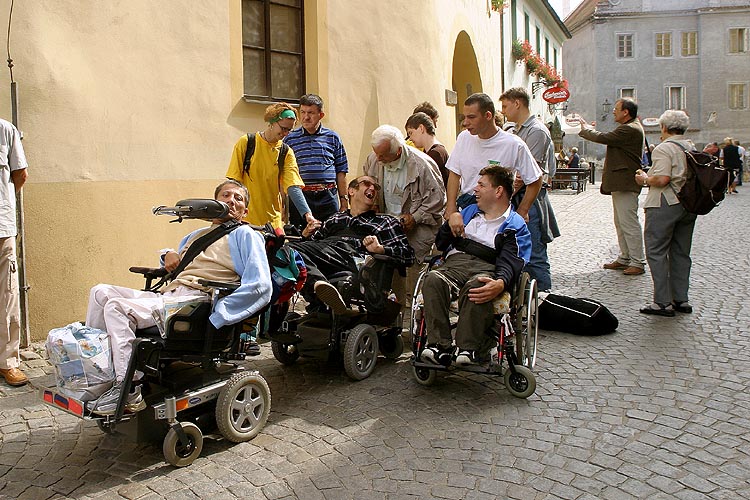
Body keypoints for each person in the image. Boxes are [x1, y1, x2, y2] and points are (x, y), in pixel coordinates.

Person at [85, 180, 272, 414]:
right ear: (213, 203)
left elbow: (260, 285)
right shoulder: (196, 235)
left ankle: (129, 388)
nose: (231, 200)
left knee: (116, 307)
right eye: (225, 195)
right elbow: (176, 266)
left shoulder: (246, 235)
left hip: (196, 302)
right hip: (170, 294)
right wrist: (167, 255)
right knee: (100, 291)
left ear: (244, 211)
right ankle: (99, 376)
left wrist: (221, 314)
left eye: (238, 198)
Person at [420, 165, 531, 366]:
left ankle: (468, 348)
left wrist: (500, 282)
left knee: (478, 286)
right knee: (433, 279)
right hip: (455, 264)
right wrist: (450, 221)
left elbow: (512, 260)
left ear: (498, 191)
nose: (475, 189)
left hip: (487, 266)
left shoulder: (514, 225)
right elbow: (441, 244)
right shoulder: (469, 211)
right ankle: (439, 346)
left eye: (481, 185)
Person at [290, 175, 415, 314]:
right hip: (326, 255)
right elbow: (309, 249)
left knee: (290, 250)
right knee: (285, 251)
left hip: (353, 258)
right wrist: (305, 235)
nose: (372, 188)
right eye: (366, 184)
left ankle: (317, 285)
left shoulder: (385, 222)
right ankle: (319, 290)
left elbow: (408, 256)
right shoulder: (336, 218)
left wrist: (381, 249)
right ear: (351, 191)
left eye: (376, 187)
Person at [634, 110, 697, 317]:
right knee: (681, 251)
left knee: (656, 250)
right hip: (688, 204)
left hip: (665, 203)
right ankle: (681, 298)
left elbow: (661, 179)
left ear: (663, 127)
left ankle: (662, 302)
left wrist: (644, 178)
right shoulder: (690, 146)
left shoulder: (664, 148)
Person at [445, 93, 542, 225]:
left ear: (488, 116)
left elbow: (535, 179)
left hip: (497, 215)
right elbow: (454, 173)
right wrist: (451, 206)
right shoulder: (463, 138)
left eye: (471, 117)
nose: (465, 122)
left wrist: (522, 211)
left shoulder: (513, 144)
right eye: (464, 117)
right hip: (467, 210)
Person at [499, 87, 558, 292]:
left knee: (534, 252)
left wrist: (504, 195)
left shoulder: (536, 131)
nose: (504, 111)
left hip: (530, 199)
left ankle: (543, 299)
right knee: (521, 249)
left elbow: (527, 174)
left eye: (506, 106)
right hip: (520, 197)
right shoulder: (518, 129)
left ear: (518, 103)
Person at [579, 98, 646, 276]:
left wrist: (586, 130)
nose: (613, 112)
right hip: (621, 182)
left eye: (616, 109)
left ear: (626, 112)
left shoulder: (629, 129)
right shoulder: (630, 127)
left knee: (628, 223)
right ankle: (625, 257)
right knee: (621, 222)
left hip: (625, 182)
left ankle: (637, 261)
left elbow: (604, 138)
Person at [226, 103, 316, 229]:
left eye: (289, 130)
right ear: (272, 122)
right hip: (246, 219)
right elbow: (234, 181)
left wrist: (307, 214)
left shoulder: (286, 152)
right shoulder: (247, 143)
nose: (285, 133)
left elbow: (293, 186)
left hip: (273, 221)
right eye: (283, 128)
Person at [283, 94, 349, 227]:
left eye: (311, 113)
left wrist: (344, 200)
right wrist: (283, 204)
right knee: (301, 237)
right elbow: (284, 175)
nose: (306, 117)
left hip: (328, 197)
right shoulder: (290, 139)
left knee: (331, 235)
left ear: (321, 115)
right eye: (303, 112)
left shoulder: (333, 138)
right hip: (301, 198)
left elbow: (341, 172)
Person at [0, 119, 29, 387]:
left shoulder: (5, 129)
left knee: (7, 296)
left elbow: (20, 174)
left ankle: (8, 362)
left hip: (1, 229)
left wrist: (4, 203)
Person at [405, 112, 449, 186]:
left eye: (411, 133)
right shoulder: (432, 151)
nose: (410, 139)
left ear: (421, 128)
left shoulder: (435, 153)